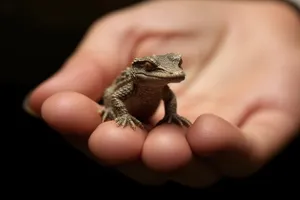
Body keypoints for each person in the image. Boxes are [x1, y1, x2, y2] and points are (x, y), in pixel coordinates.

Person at [22, 0, 300, 187]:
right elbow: (114, 96)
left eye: (177, 66)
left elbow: (169, 98)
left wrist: (281, 9)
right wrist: (116, 112)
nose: (173, 73)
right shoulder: (131, 83)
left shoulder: (164, 88)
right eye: (155, 70)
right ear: (142, 70)